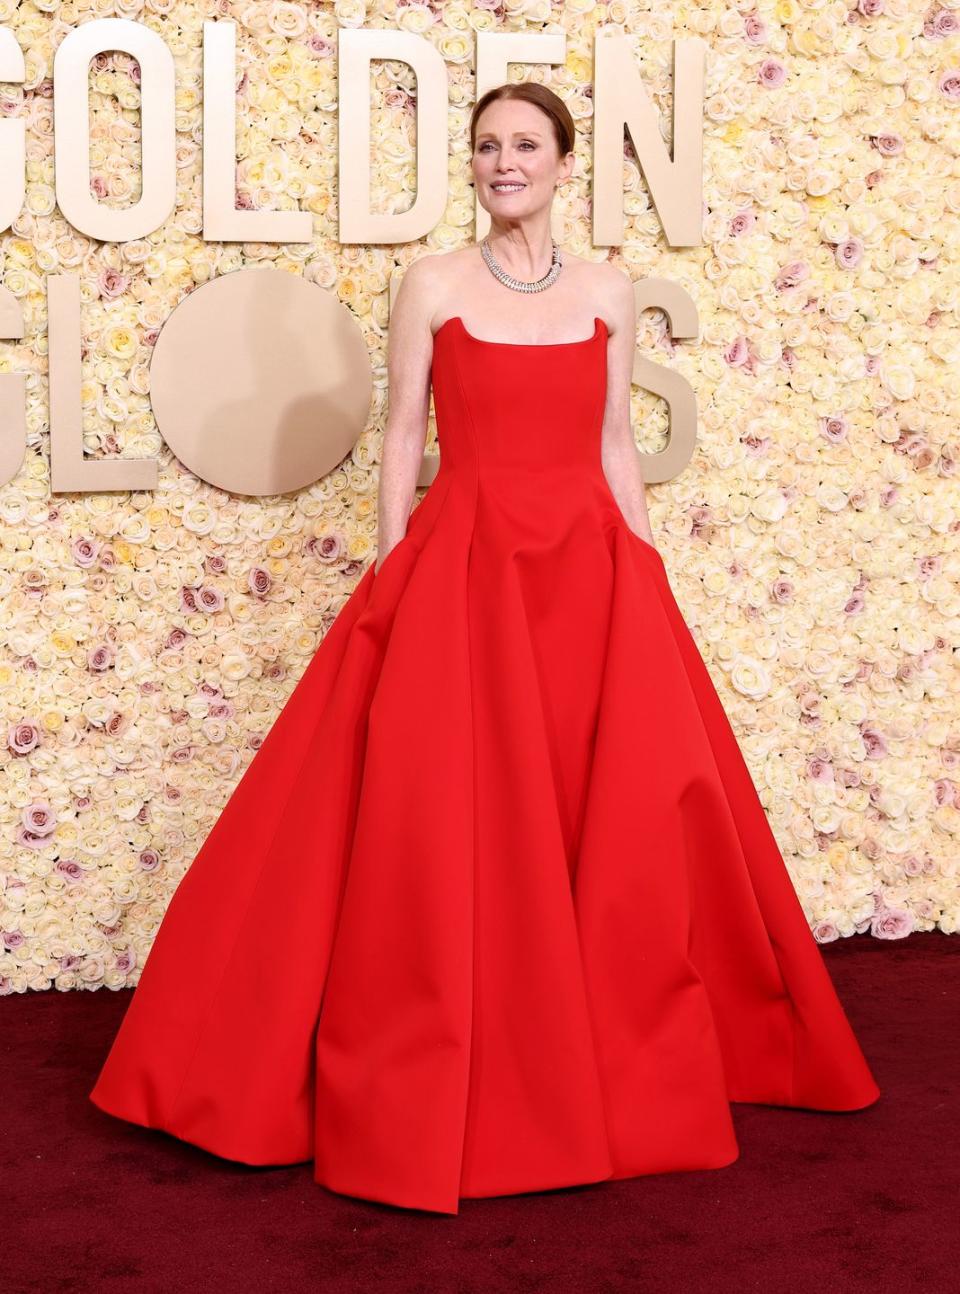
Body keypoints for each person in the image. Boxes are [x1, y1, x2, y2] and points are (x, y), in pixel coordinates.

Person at [89, 82, 880, 1216]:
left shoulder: (609, 291)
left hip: (589, 576)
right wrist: (394, 573)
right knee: (442, 818)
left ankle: (599, 1042)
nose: (504, 162)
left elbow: (612, 446)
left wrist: (644, 582)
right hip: (466, 570)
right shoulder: (433, 285)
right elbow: (405, 436)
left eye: (524, 145)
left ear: (563, 164)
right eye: (486, 147)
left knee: (602, 812)